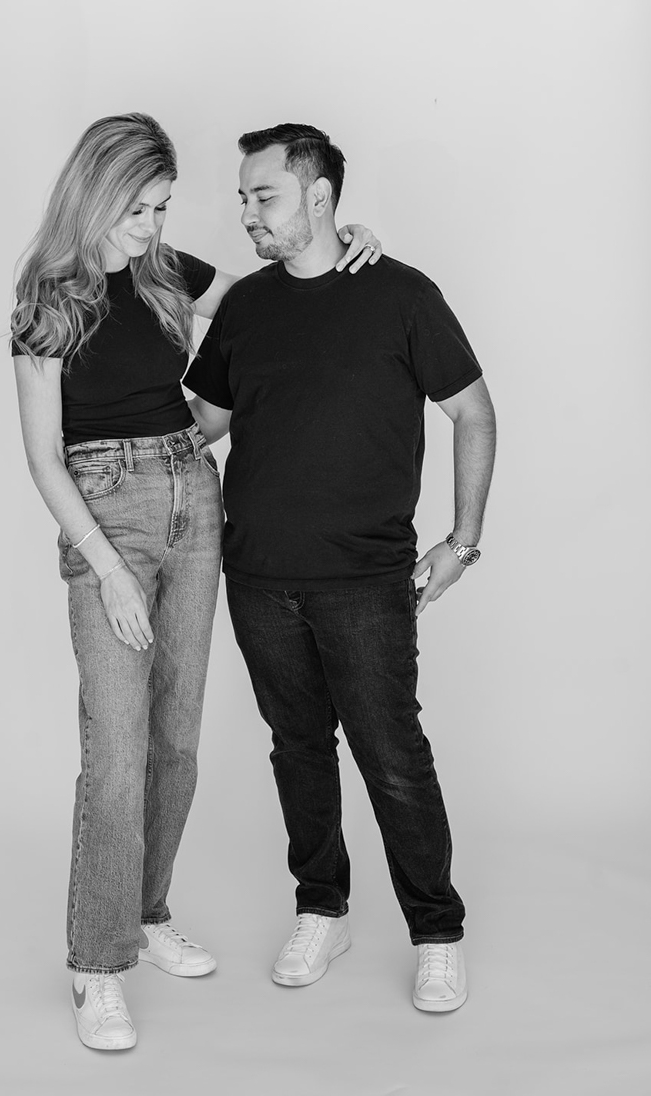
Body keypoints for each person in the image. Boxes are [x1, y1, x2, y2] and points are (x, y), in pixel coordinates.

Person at [10, 112, 382, 1050]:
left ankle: (147, 911)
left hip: (194, 495)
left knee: (176, 739)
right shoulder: (47, 297)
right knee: (116, 747)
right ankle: (97, 966)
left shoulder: (164, 272)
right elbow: (44, 459)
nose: (153, 226)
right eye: (138, 208)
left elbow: (275, 295)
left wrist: (354, 246)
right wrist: (107, 567)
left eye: (163, 208)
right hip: (107, 513)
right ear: (95, 194)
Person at [185, 122, 496, 1014]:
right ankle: (322, 908)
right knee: (297, 751)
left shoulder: (400, 294)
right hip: (257, 575)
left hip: (366, 582)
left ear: (319, 199)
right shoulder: (247, 307)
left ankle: (436, 932)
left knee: (392, 756)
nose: (245, 212)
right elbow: (202, 425)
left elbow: (475, 415)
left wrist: (461, 543)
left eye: (263, 195)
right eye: (242, 196)